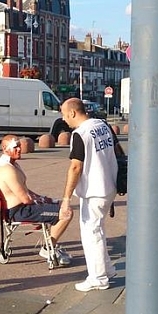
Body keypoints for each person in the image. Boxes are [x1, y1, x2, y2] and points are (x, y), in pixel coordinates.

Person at [59, 98, 118, 292]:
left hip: (94, 190)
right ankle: (107, 269)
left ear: (73, 113)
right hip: (109, 185)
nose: (63, 118)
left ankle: (98, 278)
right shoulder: (102, 125)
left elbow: (76, 166)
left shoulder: (80, 134)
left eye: (64, 114)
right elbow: (117, 150)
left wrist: (66, 199)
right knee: (98, 229)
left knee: (91, 233)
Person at [0, 134, 73, 266]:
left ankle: (50, 245)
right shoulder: (7, 170)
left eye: (19, 146)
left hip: (24, 207)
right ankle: (47, 249)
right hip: (20, 211)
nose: (19, 149)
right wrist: (41, 202)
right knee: (66, 213)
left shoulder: (13, 165)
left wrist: (45, 199)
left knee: (60, 205)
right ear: (5, 149)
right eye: (15, 147)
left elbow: (26, 191)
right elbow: (25, 199)